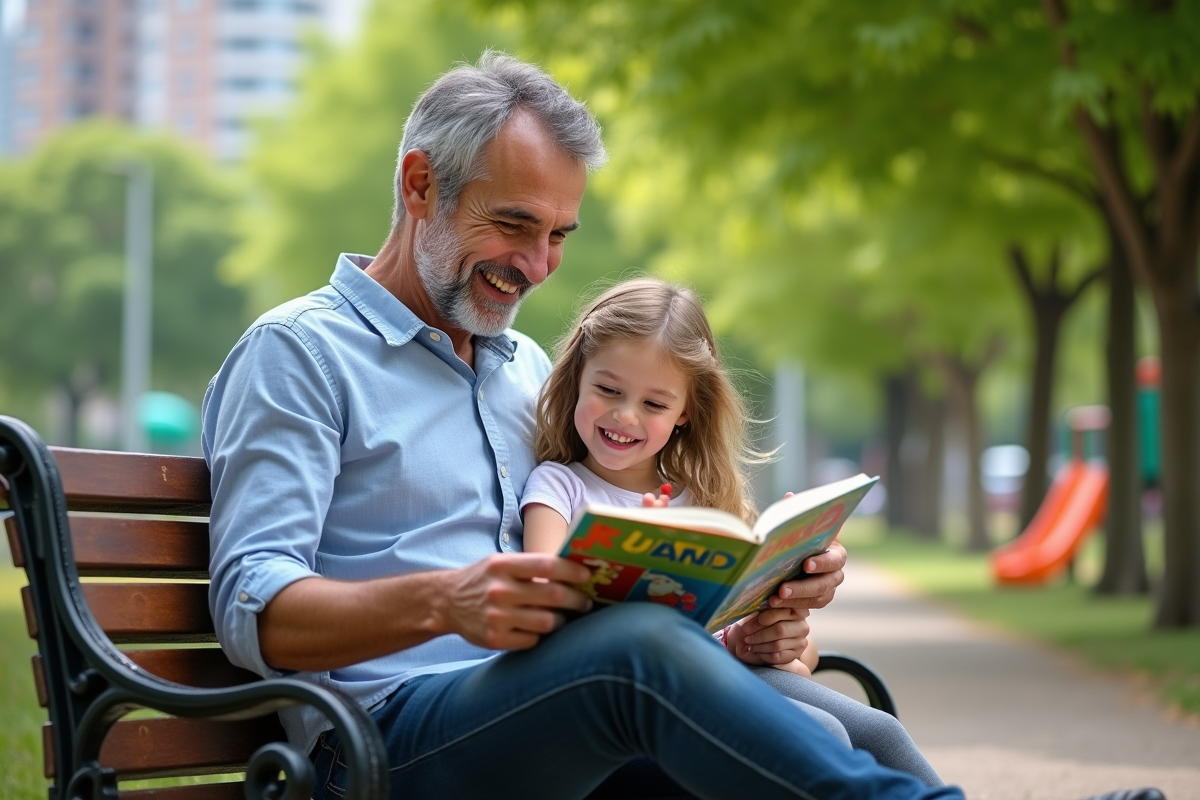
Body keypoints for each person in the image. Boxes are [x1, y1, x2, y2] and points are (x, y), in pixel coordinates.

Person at [201, 51, 1163, 800]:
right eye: (515, 225)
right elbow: (252, 609)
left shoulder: (524, 368)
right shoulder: (300, 355)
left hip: (547, 709)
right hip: (382, 743)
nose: (538, 265)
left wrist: (758, 604)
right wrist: (446, 602)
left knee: (846, 730)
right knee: (637, 657)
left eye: (559, 235)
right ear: (420, 186)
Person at [520, 276, 944, 786]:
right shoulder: (558, 487)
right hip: (632, 692)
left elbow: (797, 658)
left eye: (654, 404)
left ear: (684, 413)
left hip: (731, 675)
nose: (625, 415)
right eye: (608, 390)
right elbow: (542, 599)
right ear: (577, 379)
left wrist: (771, 639)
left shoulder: (704, 502)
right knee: (824, 733)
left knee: (881, 732)